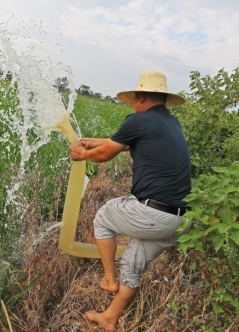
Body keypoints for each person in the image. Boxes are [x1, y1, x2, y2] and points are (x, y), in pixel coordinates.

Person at [69, 71, 192, 331]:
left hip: (153, 214)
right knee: (133, 264)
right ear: (164, 100)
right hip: (182, 222)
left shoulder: (138, 119)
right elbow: (124, 144)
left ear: (139, 97)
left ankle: (109, 279)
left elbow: (103, 156)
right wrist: (91, 142)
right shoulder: (171, 123)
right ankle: (109, 318)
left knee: (103, 216)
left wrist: (83, 154)